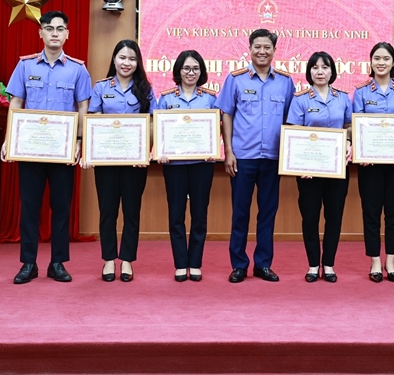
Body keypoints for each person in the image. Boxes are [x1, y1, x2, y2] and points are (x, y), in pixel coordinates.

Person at [2, 11, 91, 284]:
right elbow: (16, 104)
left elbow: (83, 108)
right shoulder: (25, 66)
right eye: (49, 28)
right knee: (29, 207)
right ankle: (28, 263)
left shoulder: (78, 69)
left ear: (67, 34)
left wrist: (79, 142)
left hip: (63, 152)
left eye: (60, 29)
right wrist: (9, 139)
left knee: (61, 207)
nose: (54, 33)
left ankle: (57, 263)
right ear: (40, 32)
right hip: (30, 150)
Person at [215, 28, 295, 283]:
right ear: (249, 49)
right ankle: (239, 265)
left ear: (274, 50)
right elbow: (226, 115)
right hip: (243, 157)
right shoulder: (235, 79)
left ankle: (263, 264)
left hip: (272, 158)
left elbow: (291, 120)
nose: (262, 51)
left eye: (267, 47)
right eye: (257, 47)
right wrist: (228, 151)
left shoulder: (285, 81)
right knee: (240, 213)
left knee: (267, 214)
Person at [85, 39, 155, 283]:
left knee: (131, 211)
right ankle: (108, 259)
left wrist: (146, 152)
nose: (127, 63)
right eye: (122, 58)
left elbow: (152, 124)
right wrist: (90, 153)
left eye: (132, 59)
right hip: (106, 162)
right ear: (114, 60)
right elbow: (93, 122)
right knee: (108, 211)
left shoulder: (146, 89)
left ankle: (126, 260)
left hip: (135, 163)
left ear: (138, 63)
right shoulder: (100, 88)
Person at [352, 42, 394, 283]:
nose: (381, 62)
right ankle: (375, 262)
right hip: (370, 165)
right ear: (370, 62)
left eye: (386, 58)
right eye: (377, 58)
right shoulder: (361, 92)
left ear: (393, 62)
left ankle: (391, 261)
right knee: (371, 213)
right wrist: (361, 152)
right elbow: (355, 126)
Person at [286, 51, 352, 283]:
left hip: (337, 168)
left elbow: (349, 126)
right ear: (309, 72)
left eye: (325, 67)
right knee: (310, 217)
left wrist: (349, 142)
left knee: (334, 217)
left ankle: (329, 264)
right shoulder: (300, 99)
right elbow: (294, 133)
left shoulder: (343, 98)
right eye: (315, 67)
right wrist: (300, 164)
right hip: (308, 171)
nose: (320, 72)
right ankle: (313, 264)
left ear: (332, 71)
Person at [156, 50, 218, 282]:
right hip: (174, 165)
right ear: (178, 71)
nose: (191, 73)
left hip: (202, 164)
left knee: (199, 215)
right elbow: (158, 130)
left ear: (201, 72)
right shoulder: (166, 99)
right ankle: (181, 263)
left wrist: (213, 149)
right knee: (176, 215)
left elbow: (218, 128)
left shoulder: (210, 99)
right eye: (186, 68)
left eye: (195, 68)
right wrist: (161, 151)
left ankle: (196, 263)